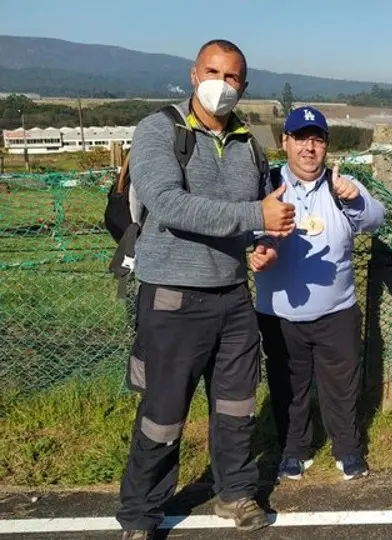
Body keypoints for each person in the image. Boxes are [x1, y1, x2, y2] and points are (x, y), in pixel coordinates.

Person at [116, 39, 296, 539]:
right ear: (194, 75)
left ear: (244, 85)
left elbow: (259, 206)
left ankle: (235, 493)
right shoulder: (158, 130)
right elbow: (171, 206)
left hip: (234, 297)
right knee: (163, 415)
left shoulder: (247, 141)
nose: (222, 83)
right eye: (213, 71)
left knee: (237, 408)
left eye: (233, 76)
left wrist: (260, 242)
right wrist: (254, 217)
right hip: (173, 296)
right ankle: (140, 515)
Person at [250, 106, 385, 482]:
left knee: (341, 387)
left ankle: (348, 450)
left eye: (317, 139)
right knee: (287, 387)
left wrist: (355, 198)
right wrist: (258, 249)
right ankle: (294, 451)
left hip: (337, 310)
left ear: (326, 145)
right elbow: (245, 227)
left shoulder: (341, 185)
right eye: (301, 138)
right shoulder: (268, 185)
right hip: (279, 312)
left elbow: (375, 219)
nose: (309, 148)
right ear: (285, 142)